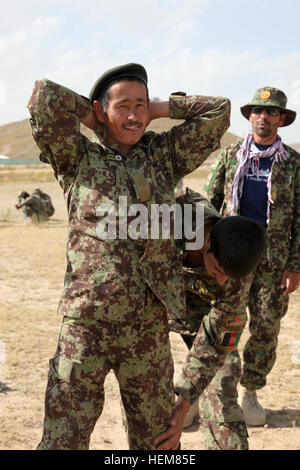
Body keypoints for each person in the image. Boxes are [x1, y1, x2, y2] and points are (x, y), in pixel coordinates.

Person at [27, 63, 231, 450]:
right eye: (124, 105)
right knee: (62, 439)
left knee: (156, 443)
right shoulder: (77, 158)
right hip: (85, 326)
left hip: (147, 329)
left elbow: (219, 110)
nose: (135, 114)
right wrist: (97, 119)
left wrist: (156, 109)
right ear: (101, 109)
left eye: (141, 104)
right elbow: (44, 97)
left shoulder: (164, 155)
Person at [203, 87, 300, 426]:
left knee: (265, 327)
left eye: (271, 112)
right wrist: (207, 252)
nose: (264, 116)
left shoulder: (293, 164)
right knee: (225, 322)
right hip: (233, 258)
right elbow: (209, 206)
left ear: (282, 119)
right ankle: (216, 389)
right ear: (250, 116)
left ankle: (251, 393)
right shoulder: (231, 156)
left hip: (273, 263)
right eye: (258, 110)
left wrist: (295, 265)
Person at [154, 188, 266, 450]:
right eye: (217, 270)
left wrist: (183, 403)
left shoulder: (239, 263)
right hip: (152, 302)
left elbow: (219, 337)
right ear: (206, 243)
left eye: (229, 276)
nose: (222, 280)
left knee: (222, 385)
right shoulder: (165, 224)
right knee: (149, 397)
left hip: (203, 309)